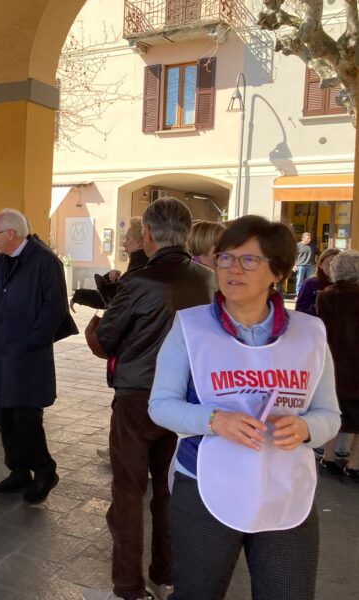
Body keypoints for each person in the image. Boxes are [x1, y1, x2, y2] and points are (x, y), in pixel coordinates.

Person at [149, 215, 340, 600]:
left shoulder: (309, 333)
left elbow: (329, 415)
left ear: (279, 272)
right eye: (225, 258)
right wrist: (214, 420)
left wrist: (305, 430)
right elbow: (160, 406)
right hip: (204, 484)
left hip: (285, 488)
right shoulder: (191, 327)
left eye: (249, 260)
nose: (233, 268)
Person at [86, 198, 213, 600]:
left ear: (148, 235)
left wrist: (93, 325)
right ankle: (166, 573)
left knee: (127, 492)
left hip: (139, 397)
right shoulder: (206, 279)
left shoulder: (140, 281)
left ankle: (128, 586)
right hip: (185, 398)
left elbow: (106, 342)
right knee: (169, 489)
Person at [0, 209, 67, 504]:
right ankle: (18, 472)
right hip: (1, 355)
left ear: (11, 234)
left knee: (26, 418)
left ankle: (45, 471)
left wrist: (27, 344)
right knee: (5, 416)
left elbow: (54, 310)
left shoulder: (45, 262)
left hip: (27, 358)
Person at [317, 249, 359, 481]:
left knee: (334, 411)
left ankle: (329, 457)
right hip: (356, 363)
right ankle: (354, 465)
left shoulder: (325, 296)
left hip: (333, 360)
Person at [72, 218, 148, 312]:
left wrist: (105, 281)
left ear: (139, 244)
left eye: (127, 239)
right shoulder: (142, 267)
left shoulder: (138, 271)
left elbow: (112, 301)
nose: (124, 243)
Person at [295, 248, 340, 316]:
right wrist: (320, 304)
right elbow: (300, 310)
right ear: (320, 265)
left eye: (336, 264)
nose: (332, 268)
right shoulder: (311, 283)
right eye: (328, 264)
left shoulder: (346, 285)